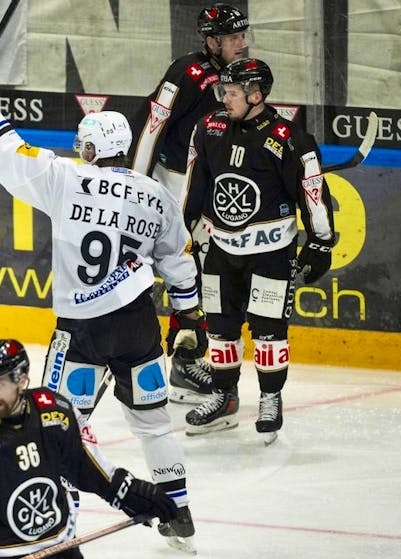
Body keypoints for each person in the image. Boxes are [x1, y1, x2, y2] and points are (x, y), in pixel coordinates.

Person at [0, 69, 204, 553]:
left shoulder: (68, 180)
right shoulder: (156, 196)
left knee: (59, 426)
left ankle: (56, 522)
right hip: (136, 326)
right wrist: (189, 318)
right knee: (152, 423)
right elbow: (178, 261)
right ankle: (180, 511)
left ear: (88, 149)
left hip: (82, 329)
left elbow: (10, 156)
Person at [180, 57, 335, 445]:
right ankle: (223, 397)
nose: (223, 98)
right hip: (219, 249)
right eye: (222, 91)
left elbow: (313, 193)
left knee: (269, 332)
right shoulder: (209, 129)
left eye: (231, 92)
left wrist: (319, 242)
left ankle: (270, 397)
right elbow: (194, 187)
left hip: (271, 253)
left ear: (256, 94)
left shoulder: (289, 138)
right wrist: (180, 232)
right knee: (220, 330)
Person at [0, 339, 177, 559]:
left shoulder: (54, 412)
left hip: (61, 548)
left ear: (21, 379)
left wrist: (132, 493)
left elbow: (89, 468)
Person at [128, 3, 250, 405]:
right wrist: (134, 186)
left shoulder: (243, 79)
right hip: (175, 184)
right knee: (185, 267)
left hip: (212, 186)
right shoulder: (187, 72)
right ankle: (180, 358)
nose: (241, 43)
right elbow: (152, 128)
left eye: (242, 36)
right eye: (233, 37)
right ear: (211, 41)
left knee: (206, 271)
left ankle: (187, 354)